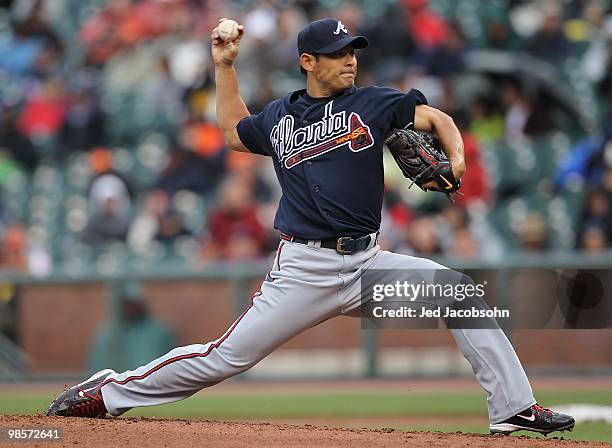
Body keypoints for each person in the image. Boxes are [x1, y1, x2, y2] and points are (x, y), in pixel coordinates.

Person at [47, 18, 575, 436]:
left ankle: (514, 408)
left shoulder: (373, 102)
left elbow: (435, 119)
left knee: (459, 293)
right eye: (339, 54)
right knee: (225, 357)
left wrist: (457, 158)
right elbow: (233, 132)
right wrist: (224, 66)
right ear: (307, 61)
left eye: (353, 52)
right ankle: (108, 393)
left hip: (369, 263)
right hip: (304, 267)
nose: (350, 60)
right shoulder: (279, 116)